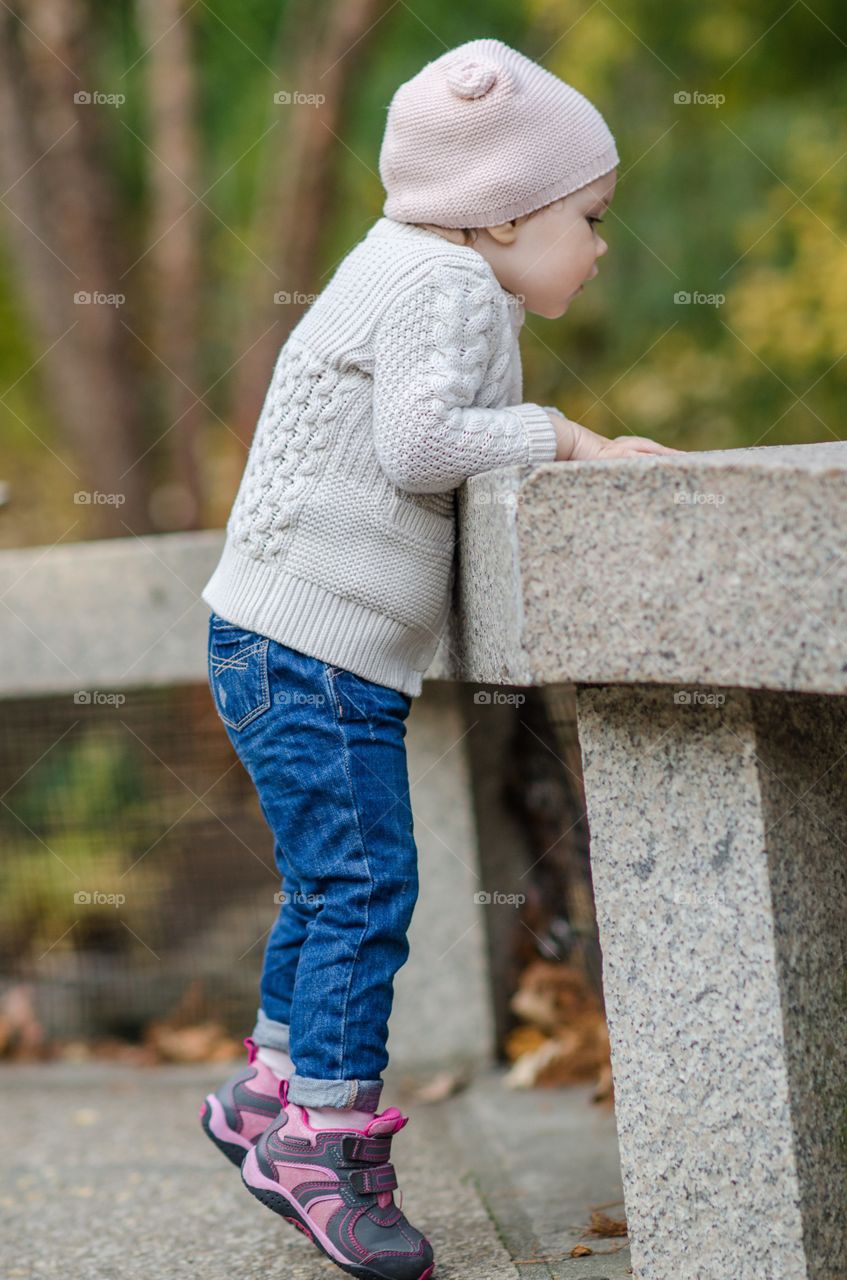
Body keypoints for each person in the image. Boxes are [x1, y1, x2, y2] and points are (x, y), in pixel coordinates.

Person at [198, 36, 681, 1280]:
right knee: (365, 890)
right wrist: (565, 438)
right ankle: (331, 1146)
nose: (600, 243)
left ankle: (269, 1093)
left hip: (274, 635)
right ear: (505, 211)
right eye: (589, 216)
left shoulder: (403, 262)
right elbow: (419, 444)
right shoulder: (448, 284)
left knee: (324, 884)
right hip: (310, 648)